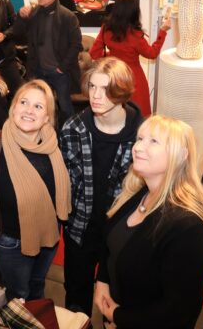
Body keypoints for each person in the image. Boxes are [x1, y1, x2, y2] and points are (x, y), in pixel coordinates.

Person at [94, 115, 203, 328]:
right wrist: (102, 282)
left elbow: (177, 313)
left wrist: (118, 316)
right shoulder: (139, 194)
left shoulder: (189, 228)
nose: (138, 148)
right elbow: (111, 246)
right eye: (140, 139)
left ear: (181, 155)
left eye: (153, 141)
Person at [0, 80, 71, 300]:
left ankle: (36, 314)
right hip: (10, 243)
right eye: (23, 102)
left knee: (37, 285)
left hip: (49, 235)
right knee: (18, 294)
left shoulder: (53, 144)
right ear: (13, 108)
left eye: (38, 106)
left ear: (47, 117)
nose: (29, 110)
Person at [59, 57, 143, 316]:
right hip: (80, 230)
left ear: (122, 92)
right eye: (93, 86)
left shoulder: (141, 136)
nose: (95, 96)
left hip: (120, 234)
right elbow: (63, 183)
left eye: (106, 89)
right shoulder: (72, 129)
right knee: (76, 297)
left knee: (118, 300)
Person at [89, 0, 171, 117]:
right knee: (136, 116)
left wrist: (111, 57)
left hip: (113, 76)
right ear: (134, 13)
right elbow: (152, 53)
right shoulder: (135, 35)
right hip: (133, 78)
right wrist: (162, 31)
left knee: (114, 113)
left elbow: (94, 53)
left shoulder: (106, 28)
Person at [16, 0, 83, 120]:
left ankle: (71, 131)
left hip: (60, 73)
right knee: (41, 106)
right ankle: (47, 131)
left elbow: (76, 45)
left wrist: (62, 68)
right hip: (39, 71)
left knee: (65, 107)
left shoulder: (68, 16)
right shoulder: (33, 13)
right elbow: (18, 33)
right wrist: (21, 16)